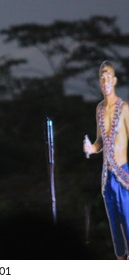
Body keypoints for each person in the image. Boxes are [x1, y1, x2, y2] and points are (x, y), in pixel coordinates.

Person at [83, 60, 129, 260]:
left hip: (124, 173)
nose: (105, 81)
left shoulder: (125, 108)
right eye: (102, 77)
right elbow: (100, 141)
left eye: (108, 76)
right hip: (107, 176)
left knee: (128, 220)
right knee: (114, 225)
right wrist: (91, 148)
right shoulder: (99, 109)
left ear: (115, 80)